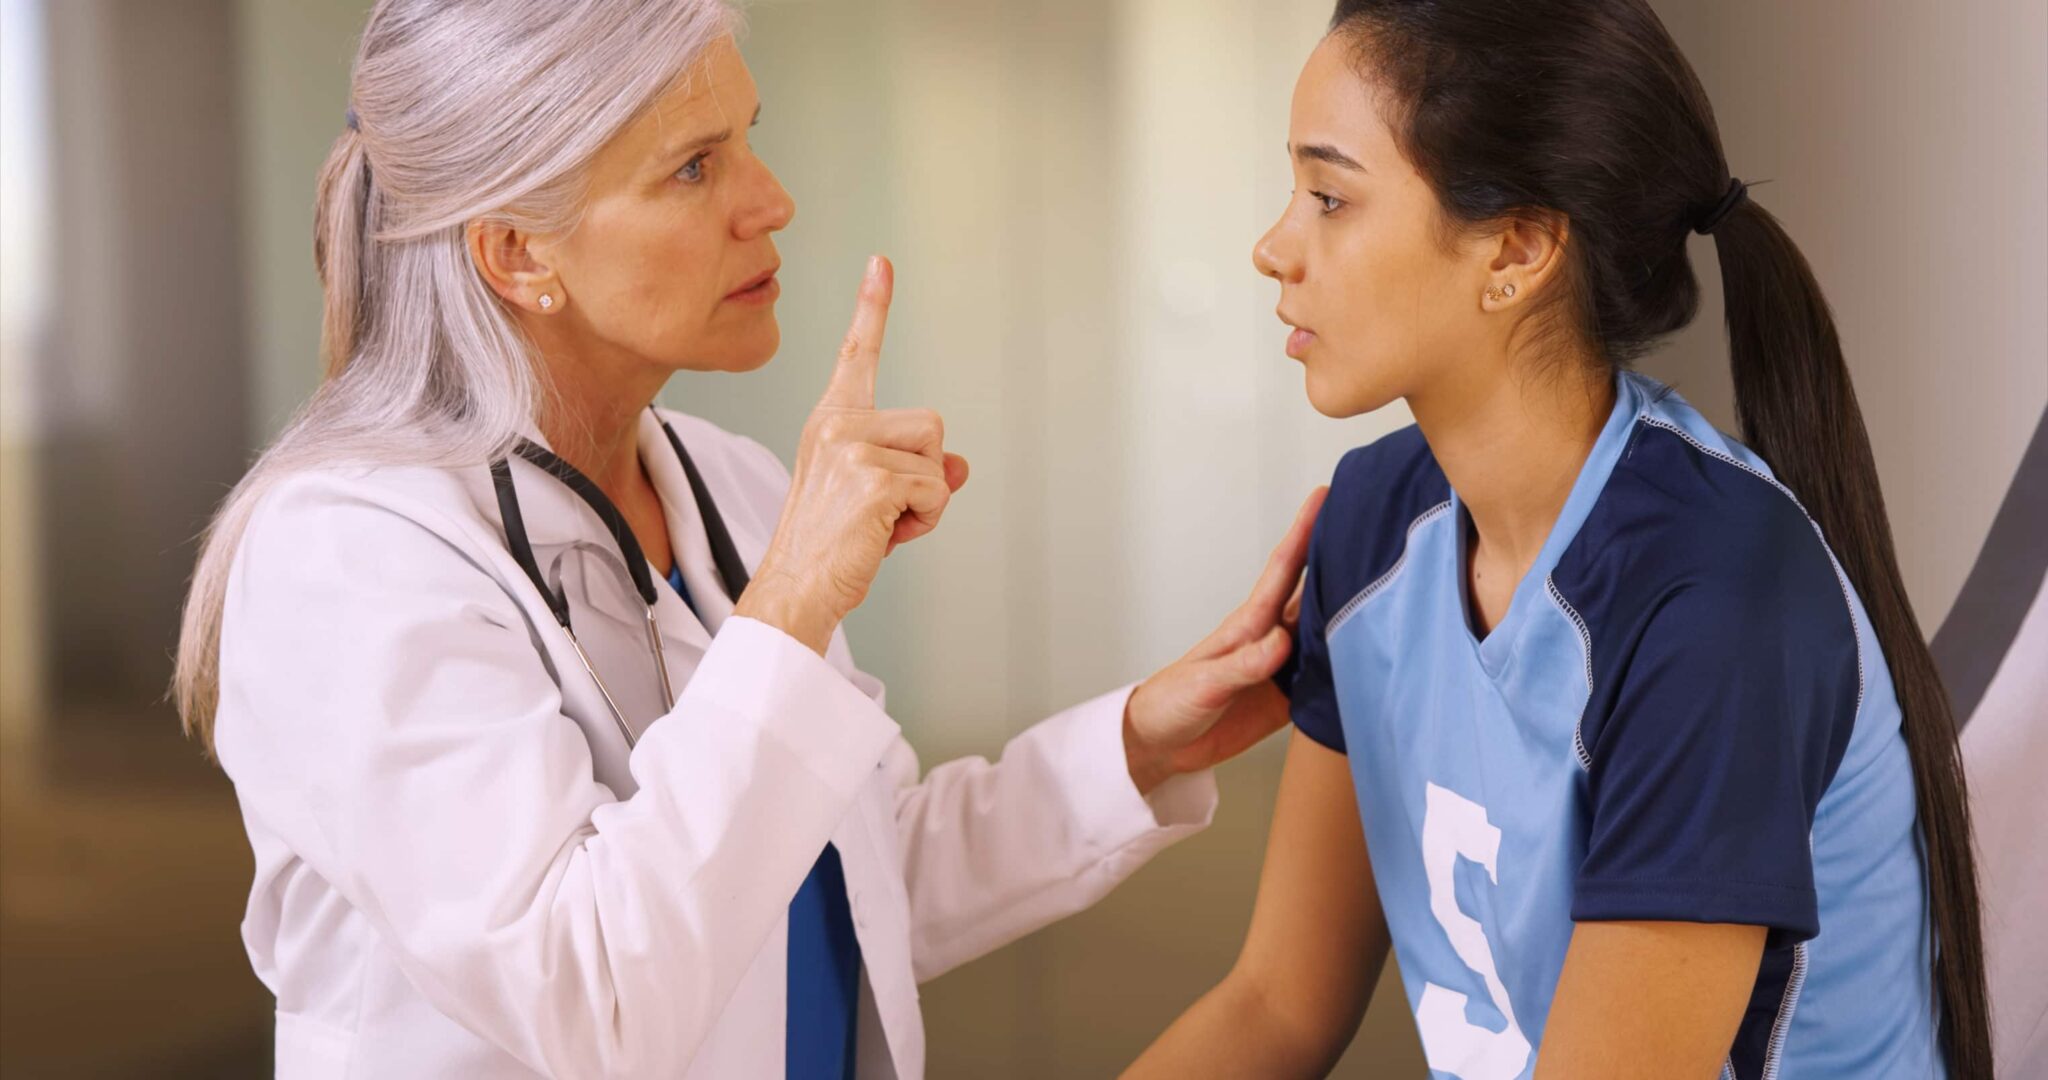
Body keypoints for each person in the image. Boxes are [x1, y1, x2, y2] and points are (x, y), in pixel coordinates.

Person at [171, 3, 1319, 1076]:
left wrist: (1135, 749)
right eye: (692, 167)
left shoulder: (729, 485)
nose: (769, 201)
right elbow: (585, 991)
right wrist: (794, 601)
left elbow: (843, 884)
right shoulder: (343, 556)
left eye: (746, 140)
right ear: (519, 251)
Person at [1129, 1, 1992, 1077]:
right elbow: (1273, 1006)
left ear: (1517, 248)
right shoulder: (1370, 524)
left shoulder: (1708, 602)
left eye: (1328, 196)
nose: (1272, 248)